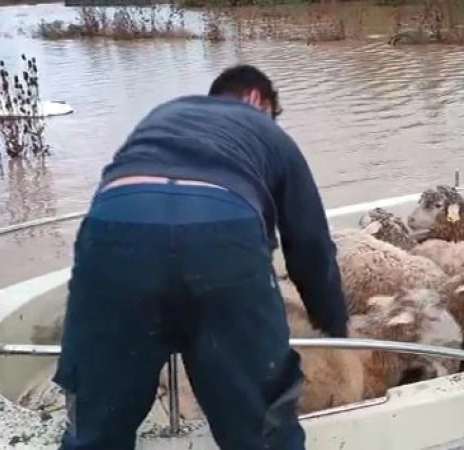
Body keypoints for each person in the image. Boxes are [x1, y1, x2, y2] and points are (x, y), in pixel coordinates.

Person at [54, 64, 349, 450]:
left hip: (116, 225)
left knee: (95, 425)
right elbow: (310, 246)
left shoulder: (164, 115)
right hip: (222, 231)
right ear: (258, 100)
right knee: (262, 430)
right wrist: (334, 325)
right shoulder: (267, 132)